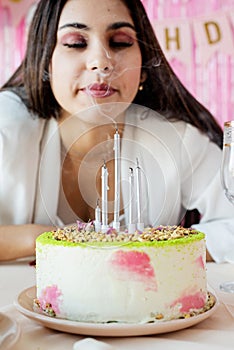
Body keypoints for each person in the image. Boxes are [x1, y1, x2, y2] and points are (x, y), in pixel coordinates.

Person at [0, 0, 233, 262]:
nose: (101, 62)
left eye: (120, 42)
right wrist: (43, 239)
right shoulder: (6, 127)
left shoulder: (175, 139)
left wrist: (154, 252)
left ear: (144, 69)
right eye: (76, 42)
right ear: (46, 63)